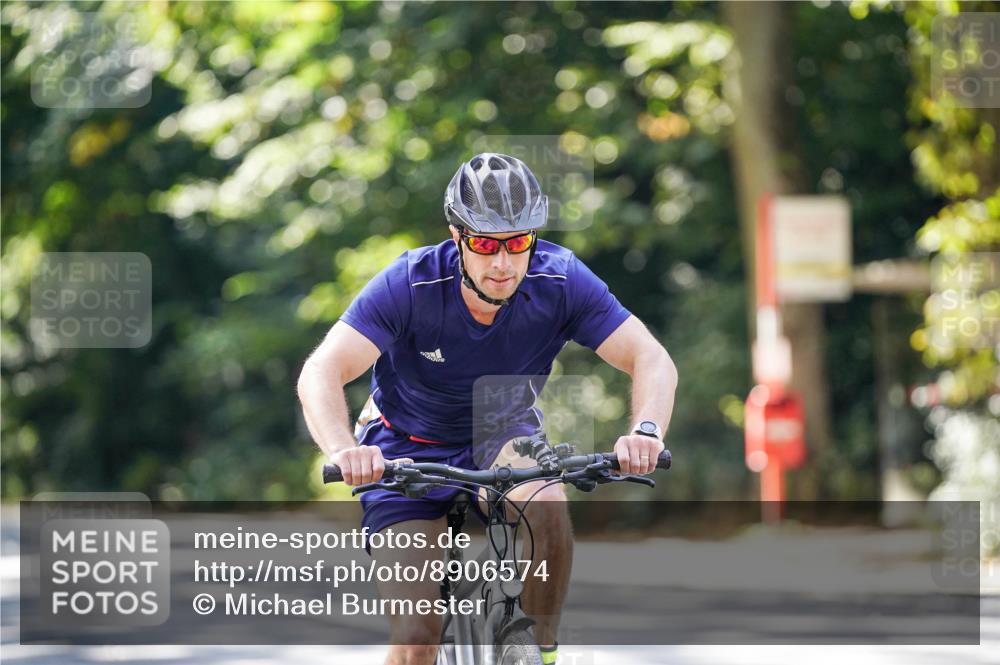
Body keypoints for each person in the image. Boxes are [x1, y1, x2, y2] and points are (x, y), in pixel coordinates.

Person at [297, 152, 678, 665]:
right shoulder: (410, 284)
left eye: (518, 243)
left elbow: (649, 356)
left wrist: (647, 431)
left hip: (501, 429)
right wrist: (345, 450)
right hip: (403, 447)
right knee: (415, 638)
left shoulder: (559, 281)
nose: (503, 263)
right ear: (457, 237)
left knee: (548, 506)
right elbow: (321, 371)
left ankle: (541, 653)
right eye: (484, 244)